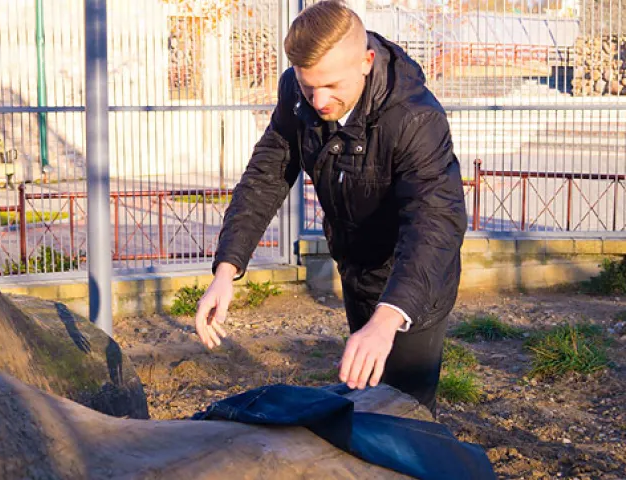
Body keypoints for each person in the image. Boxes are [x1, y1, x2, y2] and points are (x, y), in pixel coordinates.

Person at [194, 0, 467, 417]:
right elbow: (266, 176)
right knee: (365, 401)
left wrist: (388, 318)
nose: (319, 101)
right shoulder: (296, 95)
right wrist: (226, 270)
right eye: (308, 86)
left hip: (413, 284)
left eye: (332, 86)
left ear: (366, 62)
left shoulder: (415, 118)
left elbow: (435, 224)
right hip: (356, 268)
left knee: (407, 414)